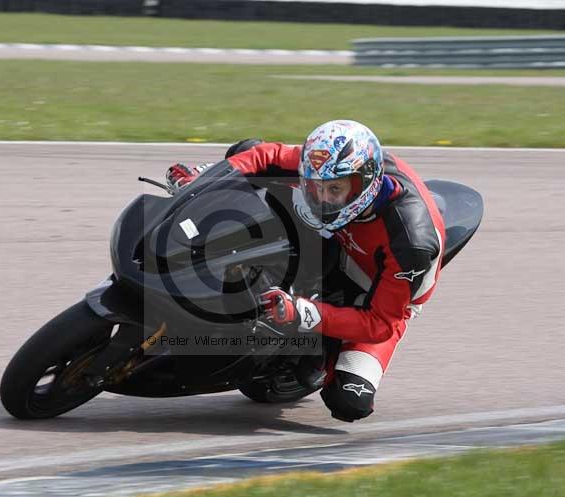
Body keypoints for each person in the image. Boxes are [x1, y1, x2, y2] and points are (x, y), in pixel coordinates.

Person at [165, 120, 445, 423]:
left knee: (349, 402)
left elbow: (380, 324)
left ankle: (317, 360)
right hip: (338, 237)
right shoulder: (329, 165)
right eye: (316, 186)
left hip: (370, 290)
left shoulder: (410, 244)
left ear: (366, 184)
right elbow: (265, 156)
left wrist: (305, 313)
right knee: (245, 151)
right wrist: (204, 181)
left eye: (335, 190)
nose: (323, 198)